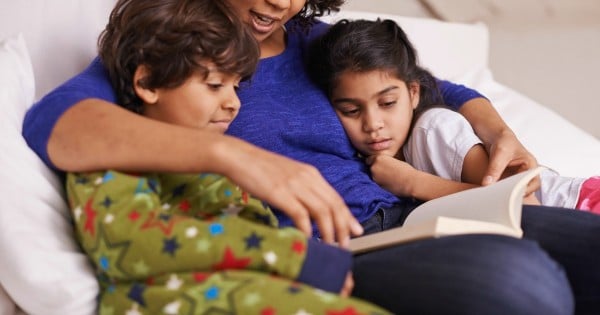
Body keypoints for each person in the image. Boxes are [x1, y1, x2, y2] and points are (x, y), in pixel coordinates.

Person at [22, 0, 600, 314]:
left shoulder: (311, 40)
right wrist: (235, 156)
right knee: (524, 287)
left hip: (402, 214)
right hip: (331, 246)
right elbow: (56, 125)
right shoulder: (176, 46)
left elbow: (426, 84)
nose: (281, 2)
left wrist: (496, 130)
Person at [65, 0, 389, 313]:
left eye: (236, 86)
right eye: (216, 84)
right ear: (148, 81)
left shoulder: (216, 166)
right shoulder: (114, 152)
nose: (234, 103)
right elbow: (133, 242)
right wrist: (291, 256)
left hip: (264, 283)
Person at [306, 18, 600, 214]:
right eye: (351, 111)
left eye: (387, 103)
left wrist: (413, 184)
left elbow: (523, 203)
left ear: (413, 93)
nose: (373, 124)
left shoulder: (433, 131)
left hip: (582, 208)